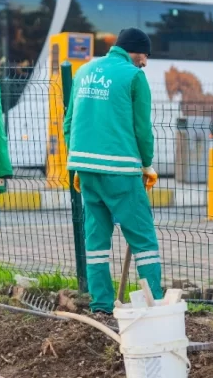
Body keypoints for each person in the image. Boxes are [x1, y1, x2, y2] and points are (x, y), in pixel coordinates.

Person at [63, 28, 162, 314]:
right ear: (136, 51)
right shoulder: (134, 77)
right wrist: (147, 164)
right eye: (145, 55)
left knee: (96, 240)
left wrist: (79, 162)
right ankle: (153, 303)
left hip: (86, 169)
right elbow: (142, 129)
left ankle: (101, 305)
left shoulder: (83, 72)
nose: (145, 62)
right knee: (143, 238)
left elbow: (69, 122)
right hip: (120, 169)